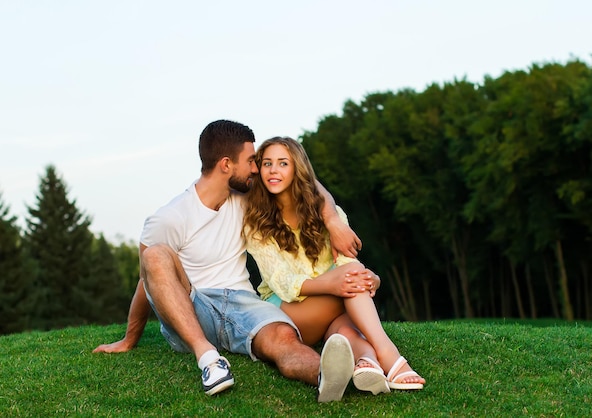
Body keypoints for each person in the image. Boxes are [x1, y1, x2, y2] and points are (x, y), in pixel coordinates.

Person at [93, 120, 366, 402]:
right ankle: (210, 360)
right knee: (155, 254)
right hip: (191, 305)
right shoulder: (170, 217)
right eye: (251, 160)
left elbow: (306, 182)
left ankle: (325, 376)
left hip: (242, 305)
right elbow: (148, 279)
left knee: (283, 339)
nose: (256, 168)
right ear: (226, 164)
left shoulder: (246, 195)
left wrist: (333, 221)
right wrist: (129, 339)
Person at [243, 136, 425, 398]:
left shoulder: (330, 213)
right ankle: (390, 355)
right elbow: (280, 281)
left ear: (297, 168)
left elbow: (347, 261)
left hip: (331, 305)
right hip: (286, 310)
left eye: (283, 163)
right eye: (267, 163)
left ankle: (367, 362)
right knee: (350, 278)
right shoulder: (255, 220)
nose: (273, 170)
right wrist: (334, 282)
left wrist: (370, 278)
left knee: (344, 327)